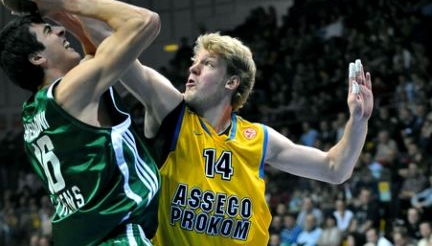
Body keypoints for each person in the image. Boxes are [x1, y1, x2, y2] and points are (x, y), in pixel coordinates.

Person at [0, 0, 161, 244]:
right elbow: (145, 22)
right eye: (48, 31)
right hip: (116, 236)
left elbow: (99, 41)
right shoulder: (71, 92)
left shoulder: (36, 112)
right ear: (37, 58)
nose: (60, 32)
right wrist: (66, 0)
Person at [116, 29, 373, 244]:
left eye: (207, 64)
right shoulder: (172, 115)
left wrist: (359, 120)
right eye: (195, 62)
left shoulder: (259, 139)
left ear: (231, 83)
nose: (193, 68)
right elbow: (116, 50)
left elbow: (335, 169)